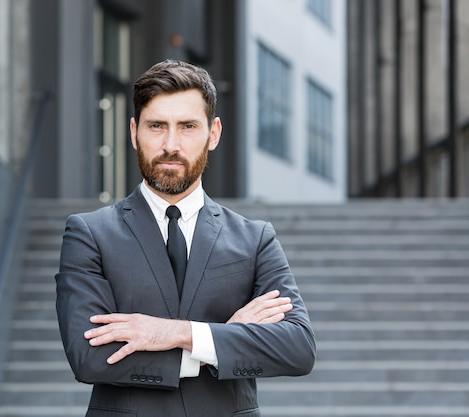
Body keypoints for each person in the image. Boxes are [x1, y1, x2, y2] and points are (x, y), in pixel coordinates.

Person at [55, 59, 315, 417]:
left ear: (214, 133)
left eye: (188, 126)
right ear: (134, 132)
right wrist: (221, 340)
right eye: (157, 126)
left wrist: (180, 334)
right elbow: (89, 357)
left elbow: (297, 347)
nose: (171, 144)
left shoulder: (255, 239)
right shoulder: (90, 234)